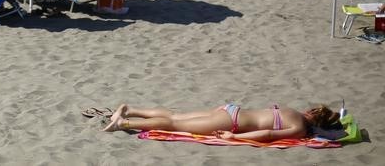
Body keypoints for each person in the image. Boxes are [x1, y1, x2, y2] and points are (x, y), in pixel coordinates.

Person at [102, 102, 341, 141]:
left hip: (231, 109)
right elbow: (267, 134)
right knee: (174, 125)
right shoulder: (299, 129)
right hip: (233, 123)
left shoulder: (292, 111)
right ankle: (124, 124)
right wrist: (234, 137)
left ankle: (130, 108)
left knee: (175, 117)